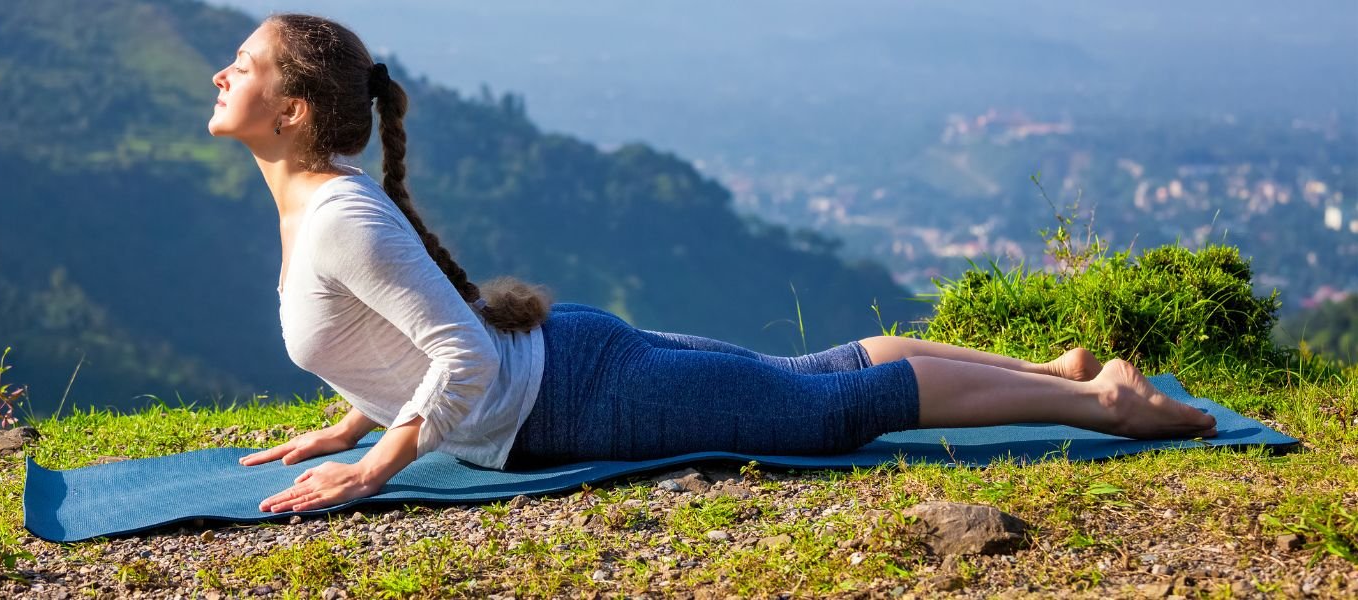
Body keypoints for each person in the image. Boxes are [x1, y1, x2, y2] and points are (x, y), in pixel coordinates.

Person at [208, 14, 1217, 515]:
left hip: (576, 400)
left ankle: (1103, 406)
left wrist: (372, 470)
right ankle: (1055, 372)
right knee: (814, 377)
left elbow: (460, 355)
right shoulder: (323, 207)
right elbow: (400, 329)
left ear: (291, 111)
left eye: (242, 65)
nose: (219, 73)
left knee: (830, 411)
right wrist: (357, 413)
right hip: (570, 368)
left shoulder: (338, 216)